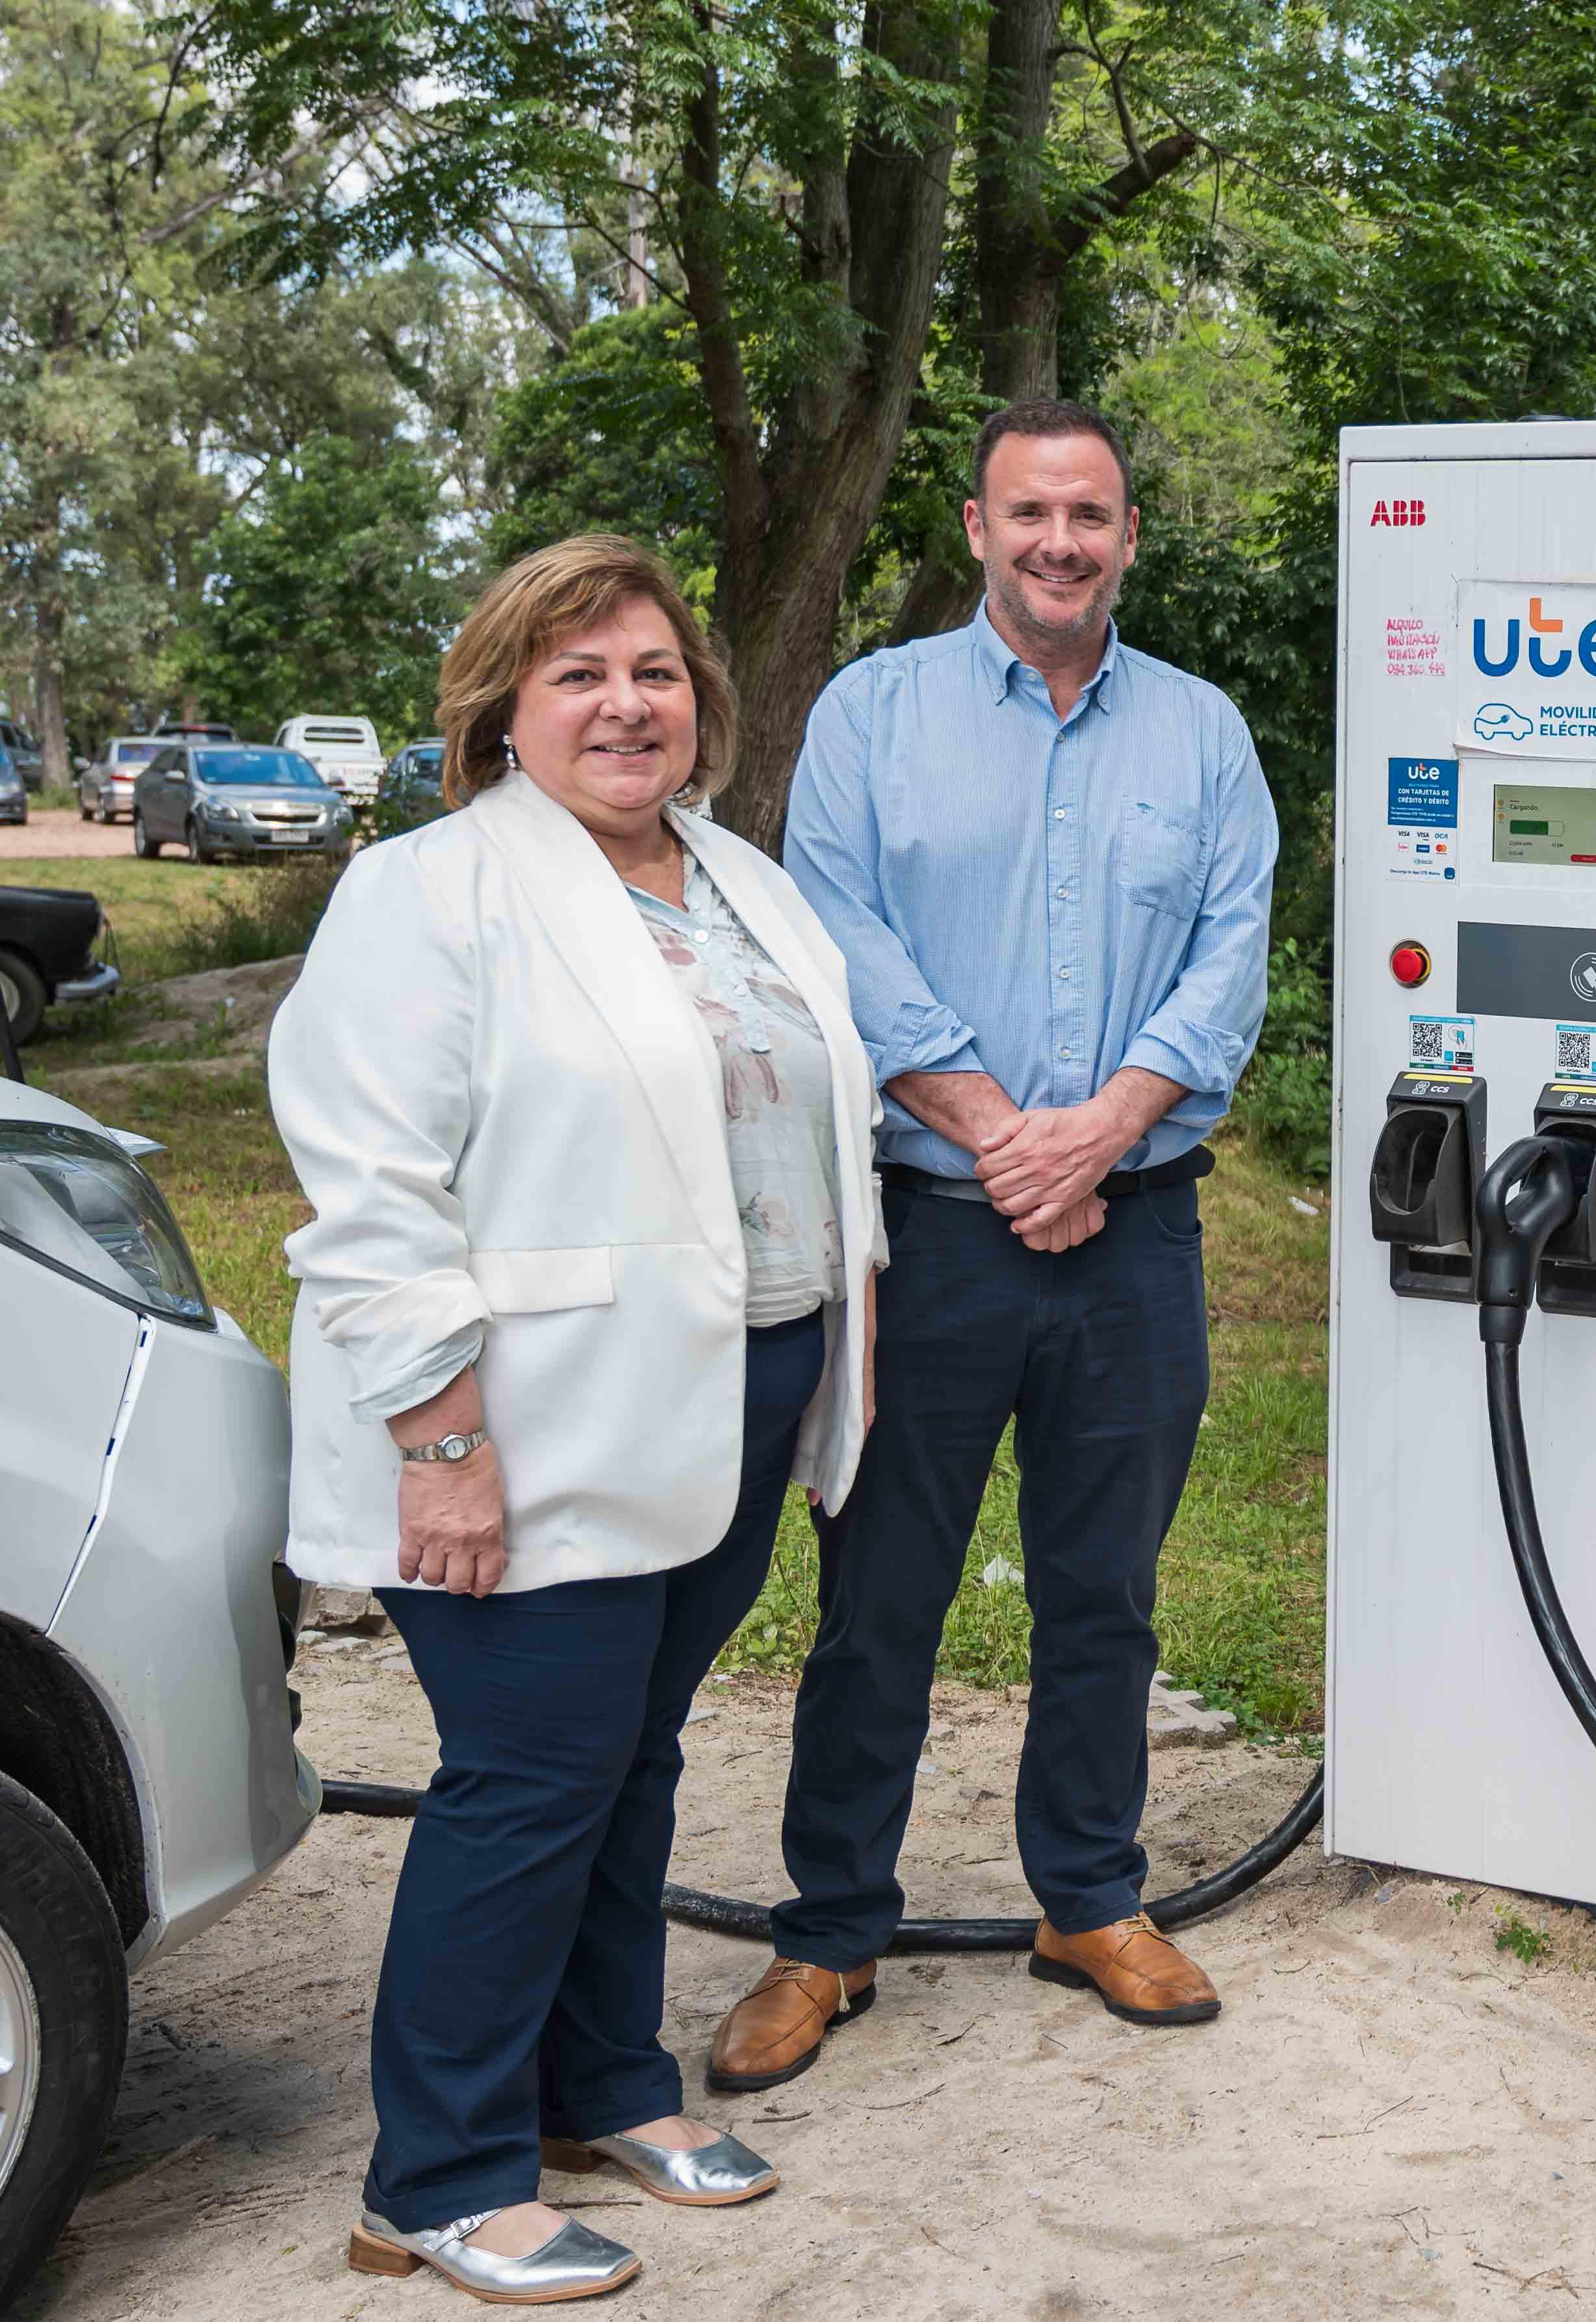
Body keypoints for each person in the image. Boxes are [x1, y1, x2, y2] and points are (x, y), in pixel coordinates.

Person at [270, 534, 886, 2303]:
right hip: (520, 1412)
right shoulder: (428, 891)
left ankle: (598, 2082)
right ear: (502, 706)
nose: (629, 704)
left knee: (634, 1752)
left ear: (701, 699)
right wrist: (444, 1441)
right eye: (581, 675)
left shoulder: (742, 880)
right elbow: (371, 1192)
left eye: (657, 672)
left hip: (738, 1382)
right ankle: (436, 2174)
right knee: (530, 1777)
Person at [711, 398, 1278, 2091]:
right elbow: (837, 936)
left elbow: (1231, 961)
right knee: (882, 1593)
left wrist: (1097, 1132)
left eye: (1089, 516)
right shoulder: (872, 718)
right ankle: (829, 1928)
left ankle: (1087, 1893)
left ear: (1123, 535)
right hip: (933, 1237)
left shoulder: (1201, 735)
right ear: (975, 526)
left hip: (1133, 1240)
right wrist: (997, 1133)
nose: (1059, 542)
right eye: (1030, 513)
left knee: (1105, 1590)